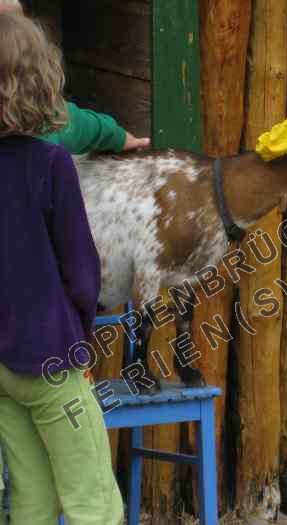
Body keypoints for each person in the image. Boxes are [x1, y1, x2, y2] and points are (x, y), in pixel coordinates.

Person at [0, 12, 124, 525]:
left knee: (31, 500)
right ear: (40, 80)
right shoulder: (51, 166)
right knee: (92, 495)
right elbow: (80, 269)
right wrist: (81, 332)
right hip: (52, 361)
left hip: (1, 368)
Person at [0, 0, 150, 154]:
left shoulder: (57, 124)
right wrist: (121, 138)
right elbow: (87, 128)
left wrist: (118, 137)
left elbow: (87, 128)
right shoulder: (51, 124)